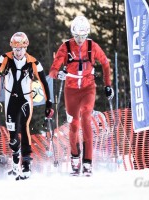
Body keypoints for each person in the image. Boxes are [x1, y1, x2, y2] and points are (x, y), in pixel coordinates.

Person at [49, 16, 114, 176]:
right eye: (77, 36)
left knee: (86, 118)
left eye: (83, 36)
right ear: (73, 34)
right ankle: (75, 157)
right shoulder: (65, 47)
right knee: (74, 125)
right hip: (71, 90)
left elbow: (105, 64)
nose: (79, 40)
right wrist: (60, 74)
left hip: (88, 88)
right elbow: (52, 71)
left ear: (87, 35)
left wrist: (108, 85)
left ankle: (87, 162)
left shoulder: (92, 46)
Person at [0, 32, 53, 180]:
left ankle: (26, 162)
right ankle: (15, 159)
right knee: (12, 133)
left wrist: (49, 103)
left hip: (26, 99)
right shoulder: (5, 57)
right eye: (15, 49)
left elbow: (44, 83)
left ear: (26, 47)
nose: (17, 52)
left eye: (20, 49)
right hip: (10, 99)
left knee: (24, 126)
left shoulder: (34, 62)